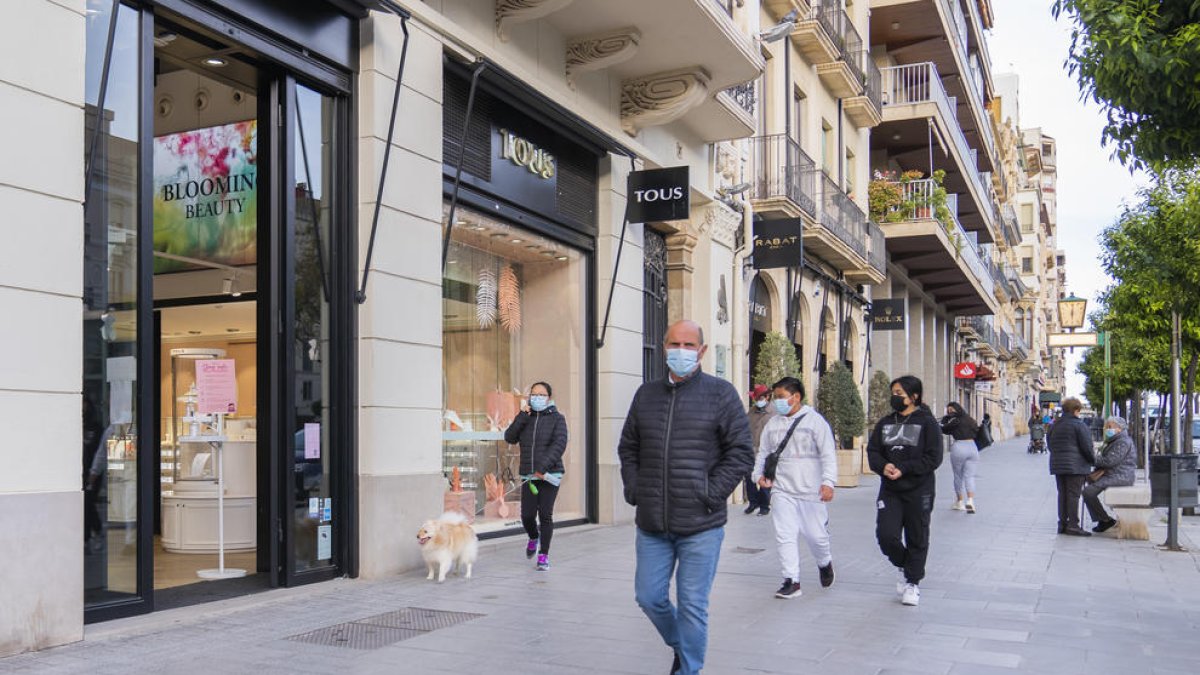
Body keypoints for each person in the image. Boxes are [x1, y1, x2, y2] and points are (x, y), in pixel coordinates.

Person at [618, 320, 753, 675]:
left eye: (689, 344)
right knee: (649, 597)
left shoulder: (721, 394)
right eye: (674, 343)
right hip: (652, 524)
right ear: (664, 348)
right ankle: (684, 644)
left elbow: (740, 452)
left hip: (701, 524)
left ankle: (688, 668)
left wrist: (710, 493)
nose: (681, 350)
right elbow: (628, 447)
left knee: (693, 604)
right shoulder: (646, 395)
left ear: (702, 351)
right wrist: (634, 488)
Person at [751, 377, 837, 599]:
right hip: (783, 490)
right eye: (775, 397)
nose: (777, 402)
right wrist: (758, 475)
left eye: (780, 397)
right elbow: (764, 452)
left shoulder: (815, 422)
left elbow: (828, 455)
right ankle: (792, 580)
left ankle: (824, 562)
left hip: (811, 491)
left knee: (816, 536)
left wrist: (828, 482)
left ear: (796, 397)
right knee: (785, 535)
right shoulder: (773, 424)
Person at [866, 375, 943, 607]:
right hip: (891, 490)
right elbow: (873, 451)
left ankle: (912, 582)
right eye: (894, 393)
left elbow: (933, 458)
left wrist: (905, 468)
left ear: (914, 396)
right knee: (886, 535)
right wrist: (884, 466)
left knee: (917, 536)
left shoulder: (927, 423)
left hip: (919, 490)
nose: (895, 397)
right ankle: (906, 564)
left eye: (899, 393)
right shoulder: (885, 423)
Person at [504, 381, 568, 571]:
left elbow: (559, 444)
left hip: (549, 474)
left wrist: (542, 467)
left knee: (545, 515)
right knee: (527, 516)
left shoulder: (558, 418)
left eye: (541, 395)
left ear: (549, 398)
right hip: (529, 476)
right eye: (534, 394)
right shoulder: (526, 417)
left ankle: (543, 555)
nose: (537, 397)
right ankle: (533, 536)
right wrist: (522, 415)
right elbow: (510, 437)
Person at [1047, 397, 1097, 536]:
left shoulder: (1054, 425)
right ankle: (1073, 525)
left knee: (1062, 494)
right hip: (1076, 466)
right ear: (1076, 410)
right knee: (1073, 495)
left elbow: (1050, 444)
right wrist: (1092, 461)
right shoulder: (1079, 425)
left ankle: (1062, 524)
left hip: (1058, 465)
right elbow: (1087, 447)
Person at [1082, 416, 1136, 533]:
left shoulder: (1123, 442)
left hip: (1119, 476)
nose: (1107, 429)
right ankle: (1103, 519)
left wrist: (1092, 458)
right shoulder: (1117, 440)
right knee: (1088, 488)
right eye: (1106, 427)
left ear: (1119, 428)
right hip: (1114, 474)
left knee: (1088, 492)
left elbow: (1110, 461)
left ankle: (1105, 520)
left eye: (1109, 427)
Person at [939, 402, 980, 513]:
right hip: (972, 447)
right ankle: (970, 501)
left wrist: (945, 419)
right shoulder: (971, 420)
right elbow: (977, 431)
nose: (950, 412)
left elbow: (944, 429)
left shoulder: (955, 421)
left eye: (951, 410)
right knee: (970, 476)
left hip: (959, 447)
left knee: (958, 476)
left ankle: (959, 502)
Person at [743, 384, 775, 516]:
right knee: (749, 477)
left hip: (767, 451)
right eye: (756, 398)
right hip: (751, 449)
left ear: (767, 397)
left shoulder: (775, 412)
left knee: (764, 478)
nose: (758, 401)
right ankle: (753, 502)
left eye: (760, 398)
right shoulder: (752, 411)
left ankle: (764, 506)